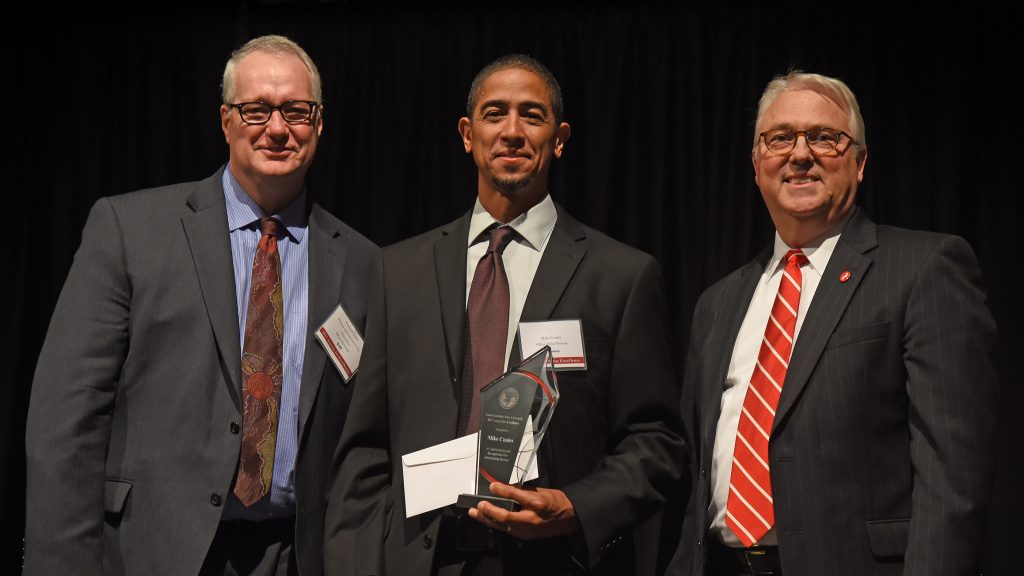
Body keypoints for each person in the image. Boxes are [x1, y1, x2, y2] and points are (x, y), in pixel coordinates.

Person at [24, 35, 378, 576]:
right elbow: (65, 422)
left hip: (298, 558)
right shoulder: (129, 230)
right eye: (256, 109)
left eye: (296, 111)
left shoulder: (363, 263)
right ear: (226, 120)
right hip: (151, 554)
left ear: (320, 122)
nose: (277, 128)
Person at [323, 54, 685, 576]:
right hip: (422, 557)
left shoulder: (621, 277)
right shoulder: (397, 271)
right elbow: (363, 448)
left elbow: (657, 442)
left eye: (531, 116)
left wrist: (576, 508)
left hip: (551, 559)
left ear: (559, 138)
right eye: (495, 114)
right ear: (467, 134)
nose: (512, 132)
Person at [670, 71, 998, 576]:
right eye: (780, 139)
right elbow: (696, 476)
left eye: (824, 138)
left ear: (860, 162)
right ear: (757, 164)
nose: (800, 154)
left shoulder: (924, 267)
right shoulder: (717, 302)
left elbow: (954, 480)